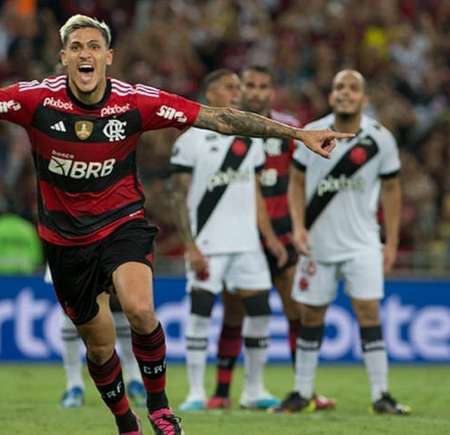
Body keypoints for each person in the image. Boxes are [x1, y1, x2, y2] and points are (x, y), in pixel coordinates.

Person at [0, 15, 349, 434]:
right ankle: (126, 425)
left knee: (141, 308)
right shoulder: (35, 99)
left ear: (108, 57)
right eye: (76, 47)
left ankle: (162, 410)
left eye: (94, 46)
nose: (85, 55)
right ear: (65, 57)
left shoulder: (136, 101)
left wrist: (296, 134)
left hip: (122, 222)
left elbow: (218, 117)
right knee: (99, 347)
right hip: (64, 239)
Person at [274, 70, 409, 415]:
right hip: (318, 243)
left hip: (363, 242)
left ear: (364, 98)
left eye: (353, 88)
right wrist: (298, 228)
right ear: (331, 96)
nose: (345, 93)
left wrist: (391, 243)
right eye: (339, 87)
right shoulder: (313, 132)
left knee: (369, 312)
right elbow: (296, 182)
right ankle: (302, 392)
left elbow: (392, 191)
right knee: (311, 314)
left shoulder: (381, 138)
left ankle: (382, 395)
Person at [169, 69, 287, 412]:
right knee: (200, 314)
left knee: (261, 312)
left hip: (247, 244)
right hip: (208, 243)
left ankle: (253, 389)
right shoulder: (190, 138)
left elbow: (254, 191)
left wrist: (270, 238)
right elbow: (179, 196)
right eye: (230, 88)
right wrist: (189, 245)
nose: (238, 93)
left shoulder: (250, 138)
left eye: (239, 88)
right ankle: (194, 392)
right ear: (211, 93)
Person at [239, 65, 336, 411]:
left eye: (264, 86)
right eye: (250, 85)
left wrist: (302, 225)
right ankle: (227, 392)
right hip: (239, 232)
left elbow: (306, 178)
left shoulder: (291, 129)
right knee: (239, 313)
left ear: (272, 91)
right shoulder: (224, 126)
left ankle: (303, 388)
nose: (257, 92)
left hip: (284, 232)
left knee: (296, 307)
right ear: (241, 88)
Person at [45, 266, 147, 409]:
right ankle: (74, 386)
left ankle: (134, 381)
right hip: (71, 248)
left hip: (110, 247)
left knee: (122, 298)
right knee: (71, 302)